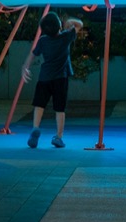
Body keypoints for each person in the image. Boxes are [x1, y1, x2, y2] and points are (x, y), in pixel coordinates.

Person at [24, 12, 84, 149]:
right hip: (60, 79)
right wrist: (69, 22)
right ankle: (58, 136)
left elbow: (33, 55)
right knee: (60, 109)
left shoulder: (43, 40)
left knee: (39, 105)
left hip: (44, 77)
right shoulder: (66, 37)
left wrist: (25, 67)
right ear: (59, 26)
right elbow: (80, 24)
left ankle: (35, 127)